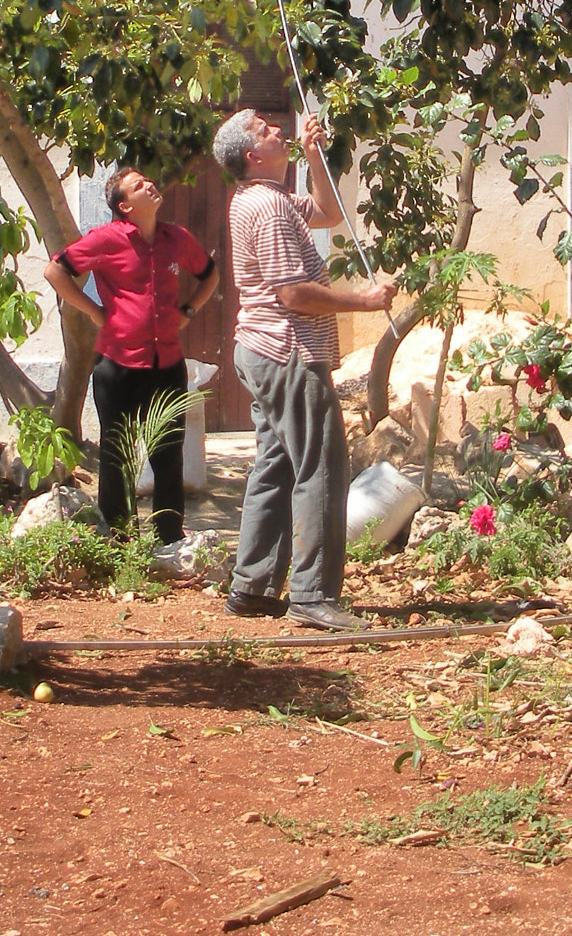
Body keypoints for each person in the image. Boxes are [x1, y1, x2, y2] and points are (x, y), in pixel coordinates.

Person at [211, 108, 394, 631]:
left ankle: (251, 586)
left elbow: (327, 212)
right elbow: (292, 294)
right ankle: (313, 595)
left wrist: (314, 155)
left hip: (263, 350)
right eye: (267, 130)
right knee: (321, 467)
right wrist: (364, 302)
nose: (278, 130)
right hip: (287, 350)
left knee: (277, 463)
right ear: (253, 155)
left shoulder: (267, 198)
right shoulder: (266, 209)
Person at [44, 168, 218, 572]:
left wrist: (189, 311)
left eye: (149, 181)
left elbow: (208, 274)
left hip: (167, 364)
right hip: (118, 366)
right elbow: (56, 270)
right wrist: (93, 311)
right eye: (139, 185)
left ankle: (169, 544)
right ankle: (120, 549)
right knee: (116, 457)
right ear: (124, 206)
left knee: (168, 456)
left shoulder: (176, 238)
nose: (150, 186)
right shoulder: (106, 239)